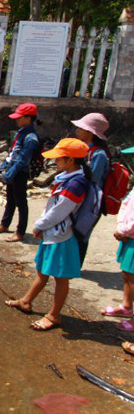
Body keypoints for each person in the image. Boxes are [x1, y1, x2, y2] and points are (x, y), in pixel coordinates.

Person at [5, 138, 92, 331]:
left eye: (59, 159)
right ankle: (26, 301)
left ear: (70, 161)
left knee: (60, 278)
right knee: (42, 271)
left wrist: (39, 225)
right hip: (52, 232)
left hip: (62, 236)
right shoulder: (68, 178)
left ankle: (54, 316)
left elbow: (60, 211)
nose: (55, 162)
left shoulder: (76, 183)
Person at [0, 103, 42, 243]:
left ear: (28, 118)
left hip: (19, 173)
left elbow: (22, 161)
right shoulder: (21, 132)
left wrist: (8, 175)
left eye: (19, 117)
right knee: (10, 200)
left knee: (21, 202)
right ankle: (4, 224)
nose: (16, 120)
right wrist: (4, 167)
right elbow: (12, 154)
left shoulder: (31, 138)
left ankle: (20, 232)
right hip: (13, 170)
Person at [101, 145, 134, 332]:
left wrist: (125, 231)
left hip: (130, 234)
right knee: (127, 274)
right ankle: (126, 307)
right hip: (129, 235)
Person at [73, 113, 110, 264]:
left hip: (91, 199)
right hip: (80, 196)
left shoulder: (98, 154)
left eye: (80, 128)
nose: (77, 131)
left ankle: (76, 265)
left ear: (89, 132)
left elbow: (93, 179)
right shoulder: (84, 149)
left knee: (82, 232)